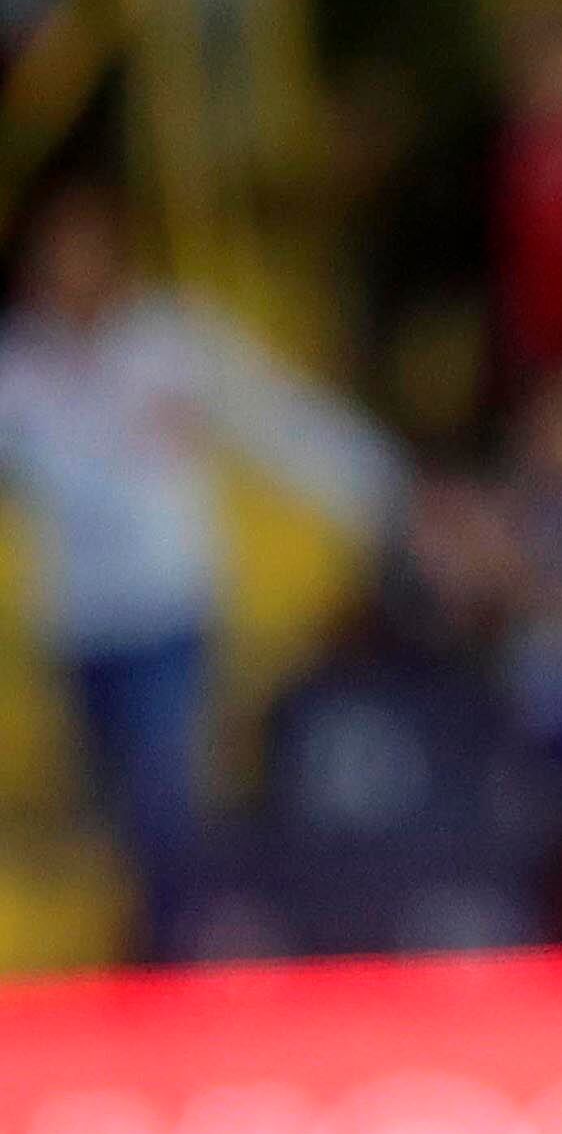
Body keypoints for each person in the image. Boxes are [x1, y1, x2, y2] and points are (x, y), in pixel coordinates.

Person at [0, 179, 406, 960]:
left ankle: (177, 960)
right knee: (111, 821)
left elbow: (286, 425)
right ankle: (140, 958)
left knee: (170, 806)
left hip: (166, 616)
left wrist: (392, 490)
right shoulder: (21, 370)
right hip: (81, 624)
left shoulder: (170, 346)